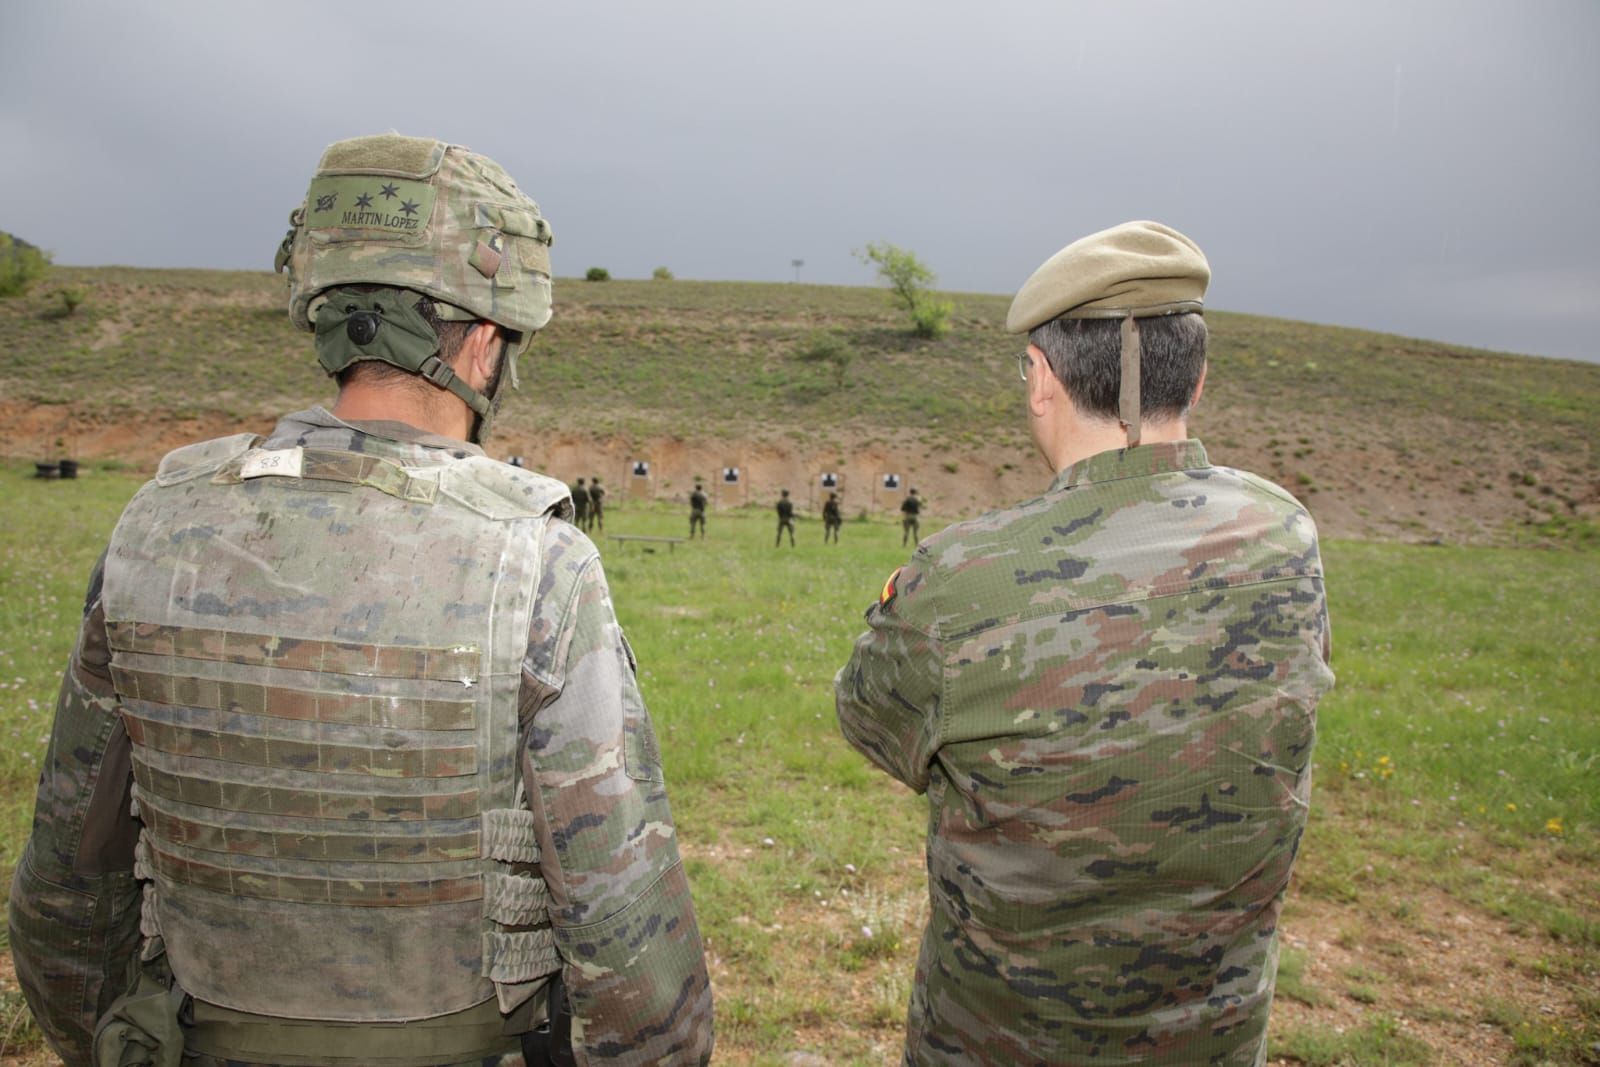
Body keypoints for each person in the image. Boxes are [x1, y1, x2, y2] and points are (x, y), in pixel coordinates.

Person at [9, 133, 714, 1067]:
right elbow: (633, 962)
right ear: (482, 339)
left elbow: (65, 896)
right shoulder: (537, 561)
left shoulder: (154, 530)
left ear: (329, 314)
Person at [835, 221, 1334, 1065]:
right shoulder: (1283, 532)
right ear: (1198, 379)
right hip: (1211, 1040)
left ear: (1039, 379)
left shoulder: (963, 578)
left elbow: (868, 718)